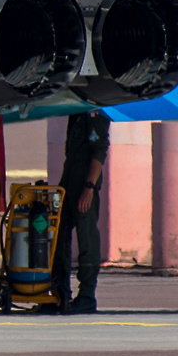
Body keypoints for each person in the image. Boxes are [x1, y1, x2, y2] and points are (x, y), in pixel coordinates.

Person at [51, 109, 109, 314]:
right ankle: (60, 292)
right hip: (69, 179)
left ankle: (86, 295)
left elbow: (99, 151)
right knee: (58, 234)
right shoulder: (74, 112)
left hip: (84, 182)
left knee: (87, 238)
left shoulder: (94, 113)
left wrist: (89, 188)